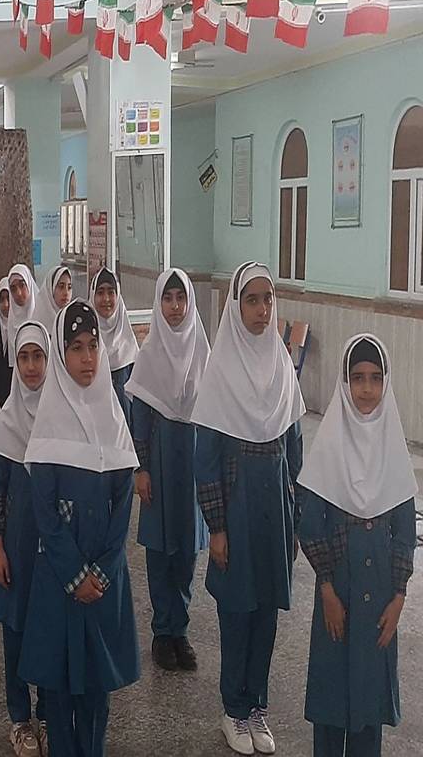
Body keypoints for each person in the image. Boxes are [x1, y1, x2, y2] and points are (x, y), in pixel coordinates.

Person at [190, 261, 305, 756]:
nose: (261, 309)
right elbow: (206, 462)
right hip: (236, 515)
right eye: (252, 300)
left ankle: (257, 705)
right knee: (237, 612)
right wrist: (216, 527)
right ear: (236, 306)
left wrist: (294, 519)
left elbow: (295, 452)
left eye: (267, 299)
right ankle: (233, 708)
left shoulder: (281, 367)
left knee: (267, 614)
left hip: (274, 514)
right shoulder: (221, 372)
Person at [20, 300, 140, 757]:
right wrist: (74, 574)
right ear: (61, 353)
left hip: (104, 578)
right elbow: (45, 512)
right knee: (57, 687)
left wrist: (102, 571)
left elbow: (123, 503)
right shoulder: (50, 419)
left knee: (95, 686)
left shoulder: (113, 413)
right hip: (59, 577)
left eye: (93, 346)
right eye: (75, 348)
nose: (87, 358)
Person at [297, 334, 417, 757]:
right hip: (338, 593)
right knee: (332, 699)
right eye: (358, 378)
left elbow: (405, 533)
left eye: (376, 378)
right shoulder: (330, 444)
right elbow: (310, 526)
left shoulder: (393, 448)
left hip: (381, 595)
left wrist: (399, 597)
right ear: (344, 383)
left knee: (369, 702)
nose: (366, 388)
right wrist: (327, 589)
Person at [125, 268, 212, 672]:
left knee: (188, 548)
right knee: (161, 549)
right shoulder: (149, 355)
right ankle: (162, 632)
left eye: (181, 298)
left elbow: (214, 418)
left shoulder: (202, 352)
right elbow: (139, 419)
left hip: (193, 462)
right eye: (168, 298)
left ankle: (181, 630)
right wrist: (141, 468)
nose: (175, 307)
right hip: (160, 461)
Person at [0, 321, 52, 757]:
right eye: (24, 357)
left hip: (53, 548)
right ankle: (19, 717)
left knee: (48, 626)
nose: (30, 366)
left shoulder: (61, 418)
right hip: (16, 544)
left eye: (38, 356)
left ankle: (47, 711)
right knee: (15, 628)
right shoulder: (8, 420)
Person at [90, 267, 138, 424]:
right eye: (100, 292)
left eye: (111, 292)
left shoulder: (129, 349)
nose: (106, 299)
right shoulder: (86, 346)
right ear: (92, 296)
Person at [33, 265, 74, 335]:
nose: (66, 293)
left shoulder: (73, 319)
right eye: (61, 287)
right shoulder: (37, 325)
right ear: (50, 289)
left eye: (69, 287)